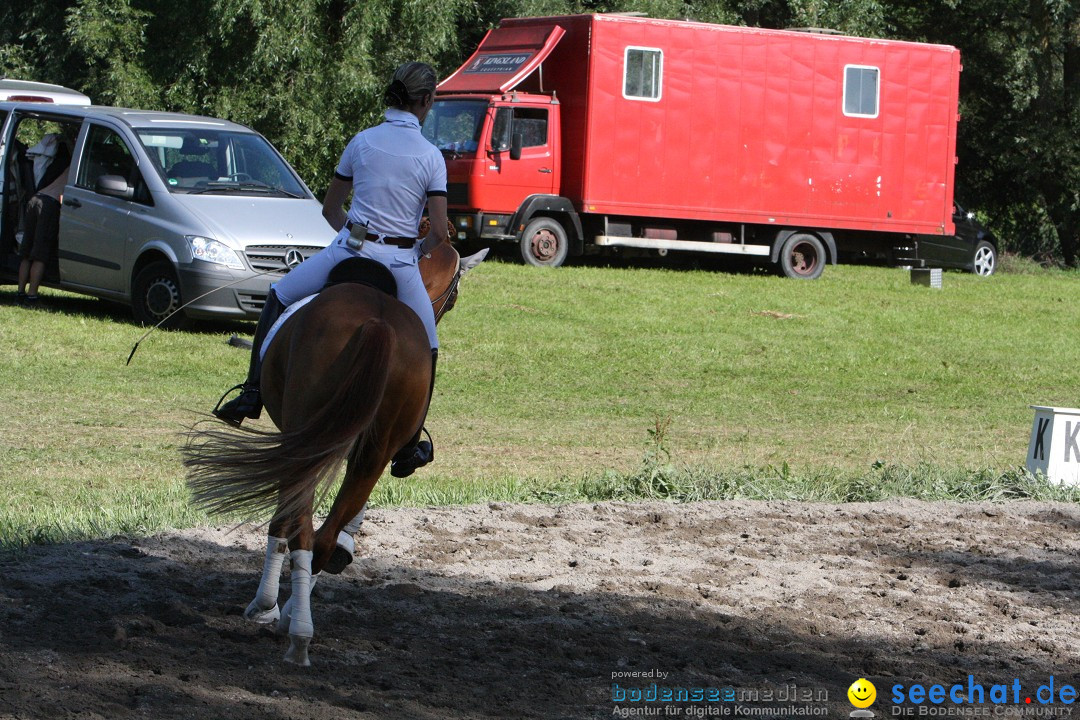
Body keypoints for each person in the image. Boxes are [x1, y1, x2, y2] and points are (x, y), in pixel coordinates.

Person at [214, 61, 449, 478]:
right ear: (427, 100)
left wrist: (352, 237)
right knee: (427, 345)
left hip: (347, 250)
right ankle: (410, 442)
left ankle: (250, 393)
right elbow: (439, 236)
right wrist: (413, 250)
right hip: (399, 263)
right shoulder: (431, 157)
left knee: (279, 295)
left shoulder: (362, 141)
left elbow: (330, 208)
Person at [17, 134, 72, 307]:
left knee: (27, 251)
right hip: (48, 204)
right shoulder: (77, 167)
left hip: (35, 199)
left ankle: (20, 293)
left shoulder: (58, 164)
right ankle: (32, 296)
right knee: (40, 253)